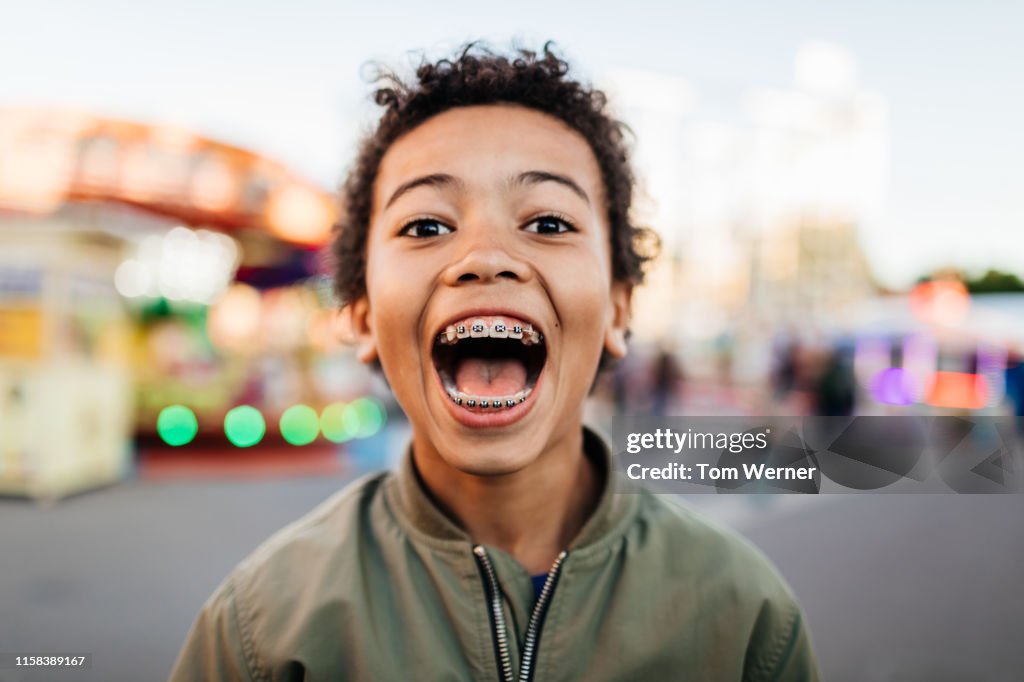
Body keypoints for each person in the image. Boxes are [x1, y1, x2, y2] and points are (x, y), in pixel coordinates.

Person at [170, 43, 819, 681]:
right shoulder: (262, 631)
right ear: (362, 313)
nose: (485, 256)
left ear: (619, 309)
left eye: (548, 223)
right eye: (425, 226)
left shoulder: (742, 617)